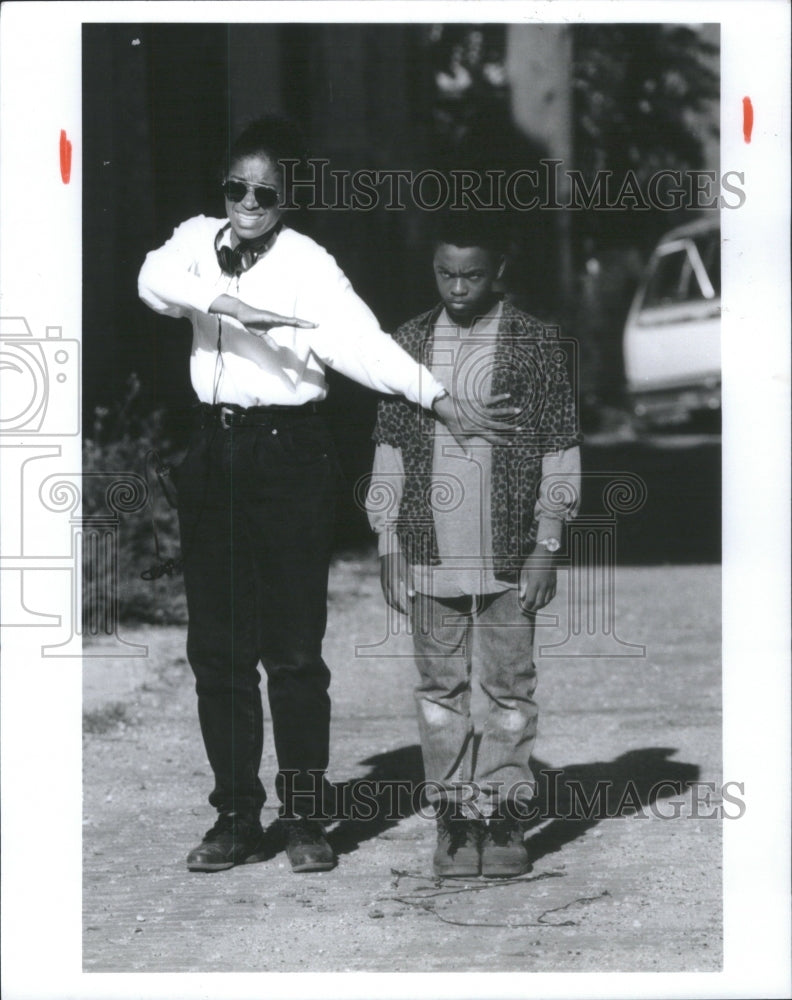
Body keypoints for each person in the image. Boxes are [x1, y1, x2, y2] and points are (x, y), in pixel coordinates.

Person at [137, 117, 513, 875]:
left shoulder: (309, 264)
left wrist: (439, 398)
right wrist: (230, 306)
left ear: (287, 198)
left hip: (289, 455)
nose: (248, 203)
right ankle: (235, 816)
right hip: (214, 452)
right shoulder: (194, 241)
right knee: (218, 649)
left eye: (265, 193)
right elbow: (152, 280)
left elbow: (362, 345)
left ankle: (306, 817)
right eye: (236, 188)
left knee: (294, 652)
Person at [367, 213, 581, 877]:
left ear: (499, 271)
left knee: (510, 689)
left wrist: (547, 542)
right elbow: (390, 449)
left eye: (473, 275)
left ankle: (506, 813)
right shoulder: (407, 344)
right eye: (446, 274)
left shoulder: (534, 343)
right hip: (429, 553)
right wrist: (387, 542)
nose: (458, 288)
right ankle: (456, 818)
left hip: (511, 556)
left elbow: (559, 446)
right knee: (440, 691)